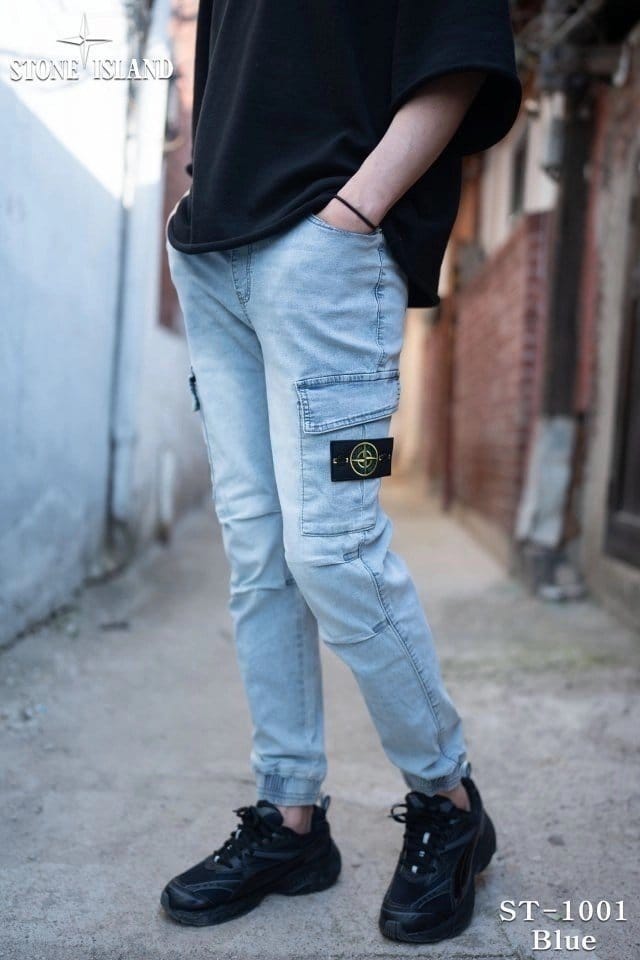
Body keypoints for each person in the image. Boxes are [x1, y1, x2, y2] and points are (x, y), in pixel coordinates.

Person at [160, 0, 521, 944]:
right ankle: (290, 821)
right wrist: (199, 193)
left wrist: (353, 213)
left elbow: (461, 54)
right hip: (214, 257)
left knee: (335, 551)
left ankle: (449, 802)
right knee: (258, 553)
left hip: (324, 263)